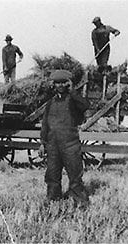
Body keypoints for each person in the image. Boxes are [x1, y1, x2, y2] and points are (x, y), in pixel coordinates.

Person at [39, 70, 89, 205]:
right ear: (53, 85)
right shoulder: (50, 103)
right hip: (53, 145)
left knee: (75, 175)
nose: (60, 85)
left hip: (70, 144)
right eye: (57, 83)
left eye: (63, 82)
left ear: (68, 84)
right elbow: (45, 124)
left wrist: (73, 90)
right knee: (52, 176)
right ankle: (53, 201)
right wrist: (42, 143)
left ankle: (80, 202)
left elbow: (85, 106)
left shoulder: (73, 100)